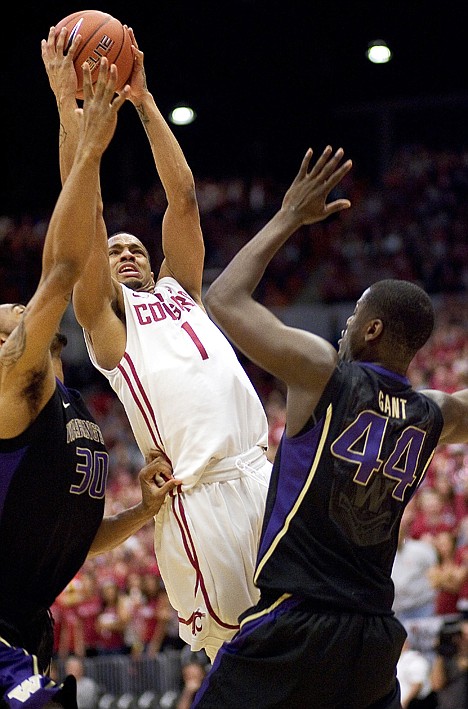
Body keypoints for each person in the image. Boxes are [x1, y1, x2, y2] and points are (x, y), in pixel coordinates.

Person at [192, 145, 468, 708]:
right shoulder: (435, 413)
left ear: (371, 330)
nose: (345, 321)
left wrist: (290, 214)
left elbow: (222, 298)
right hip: (371, 636)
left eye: (355, 313)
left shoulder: (324, 375)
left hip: (295, 619)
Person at [41, 25, 271, 663]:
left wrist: (143, 101)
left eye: (135, 247)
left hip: (260, 471)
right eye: (115, 250)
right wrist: (73, 117)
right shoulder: (107, 326)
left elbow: (186, 201)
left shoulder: (182, 294)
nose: (126, 252)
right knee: (239, 655)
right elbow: (83, 221)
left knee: (301, 642)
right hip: (199, 496)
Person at [0, 59, 180, 709]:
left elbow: (76, 531)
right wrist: (75, 129)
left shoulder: (70, 401)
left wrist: (141, 512)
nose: (10, 319)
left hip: (26, 635)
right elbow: (68, 260)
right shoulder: (13, 384)